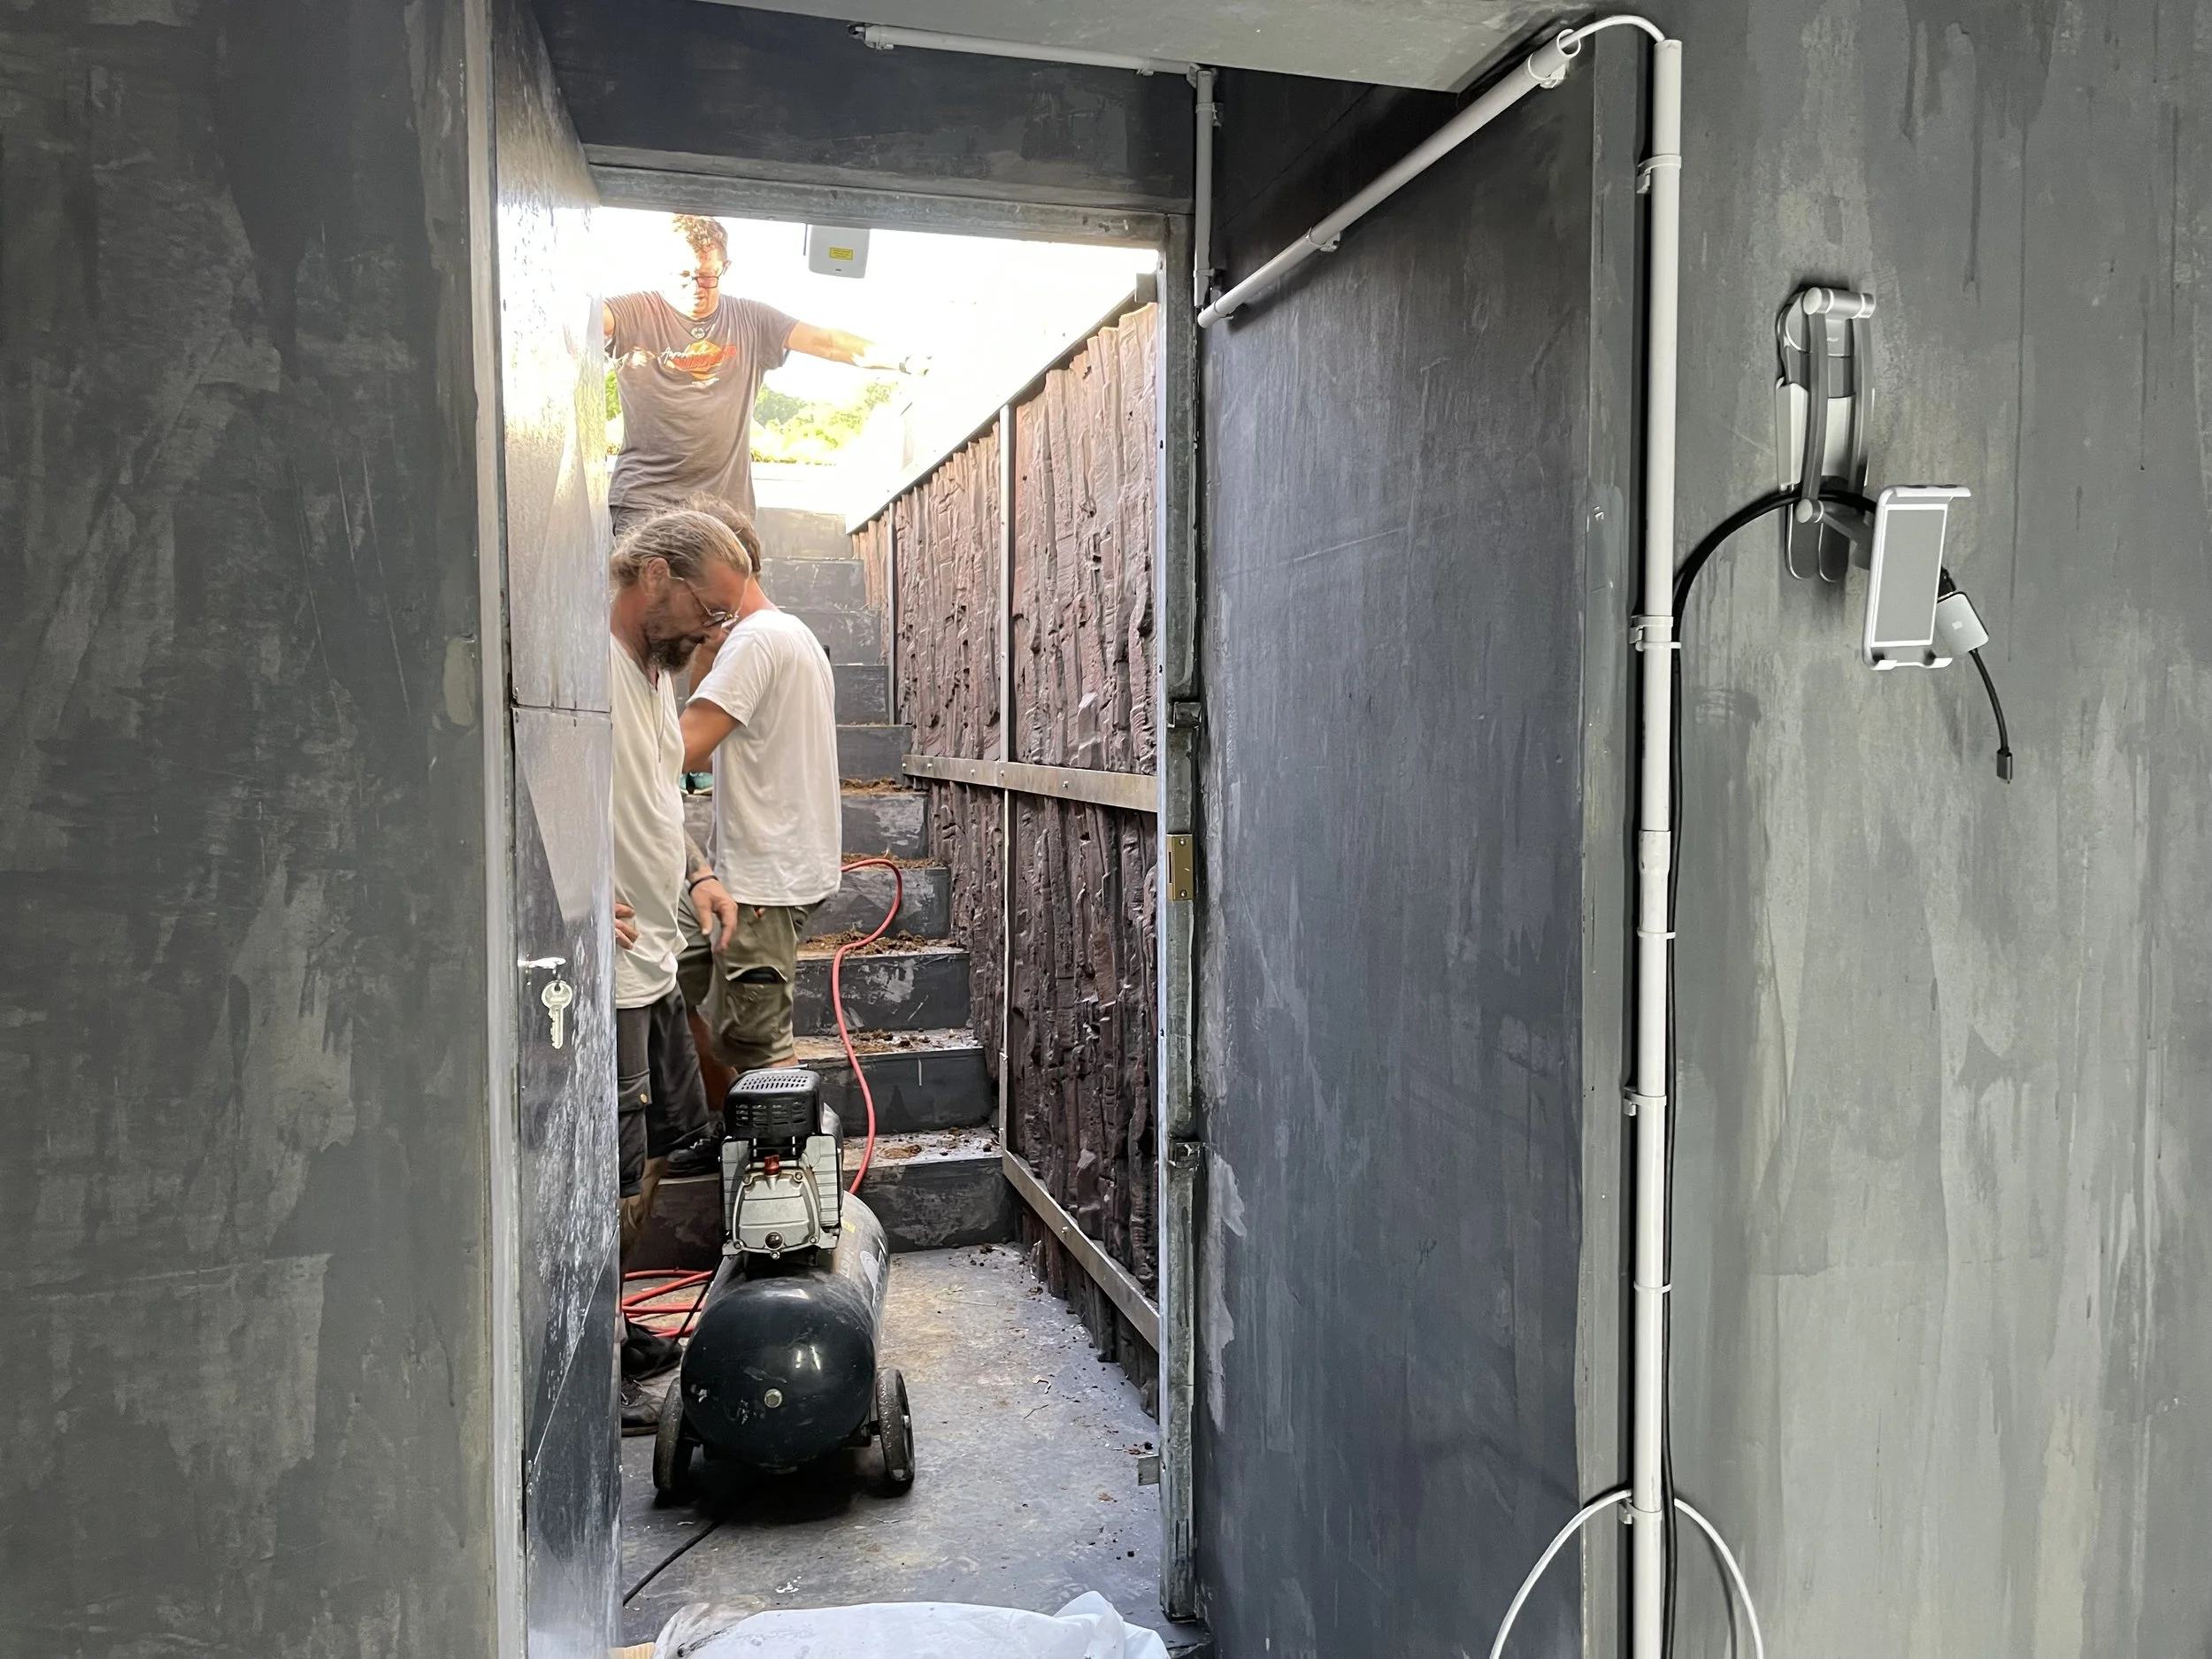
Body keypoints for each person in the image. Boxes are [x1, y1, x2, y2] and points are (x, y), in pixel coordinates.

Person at [607, 508, 751, 1432]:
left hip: (655, 957)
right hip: (608, 968)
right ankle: (593, 1368)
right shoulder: (582, 666)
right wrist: (563, 895)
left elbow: (661, 790)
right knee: (612, 1175)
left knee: (662, 1150)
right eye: (707, 609)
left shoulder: (658, 678)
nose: (712, 634)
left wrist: (697, 870)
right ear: (654, 574)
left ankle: (617, 1327)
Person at [603, 214, 918, 536]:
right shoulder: (634, 312)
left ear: (725, 268)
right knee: (654, 585)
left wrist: (906, 360)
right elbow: (578, 319)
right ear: (664, 268)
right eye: (684, 275)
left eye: (707, 276)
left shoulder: (751, 319)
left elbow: (829, 343)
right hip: (646, 501)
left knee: (731, 589)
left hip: (724, 507)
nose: (696, 288)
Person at [675, 494, 843, 1076]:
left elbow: (682, 750)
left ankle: (790, 1167)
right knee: (671, 974)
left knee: (760, 1048)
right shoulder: (786, 633)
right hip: (766, 873)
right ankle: (708, 1130)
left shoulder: (754, 643)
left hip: (764, 884)